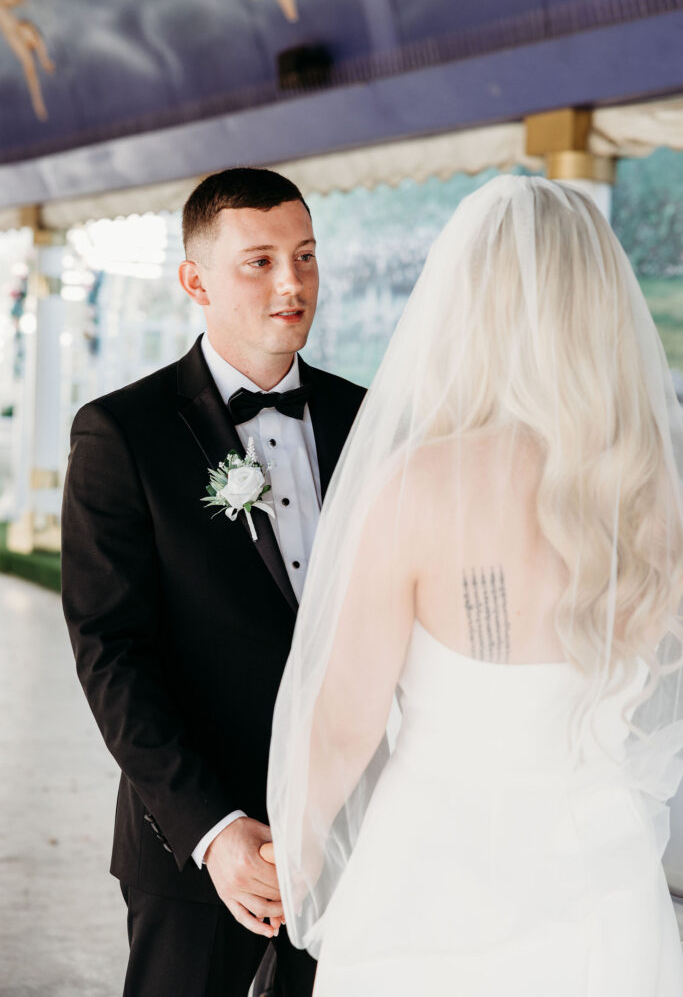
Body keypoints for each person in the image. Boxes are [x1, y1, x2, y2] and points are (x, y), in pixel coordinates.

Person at [267, 175, 683, 996]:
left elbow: (343, 724)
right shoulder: (648, 492)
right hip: (608, 890)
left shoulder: (420, 487)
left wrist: (291, 862)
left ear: (467, 309)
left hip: (432, 884)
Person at [61, 167, 365, 997]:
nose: (291, 283)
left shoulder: (370, 421)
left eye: (304, 257)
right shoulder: (121, 432)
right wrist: (215, 830)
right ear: (194, 279)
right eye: (259, 261)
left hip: (357, 836)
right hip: (197, 846)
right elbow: (111, 652)